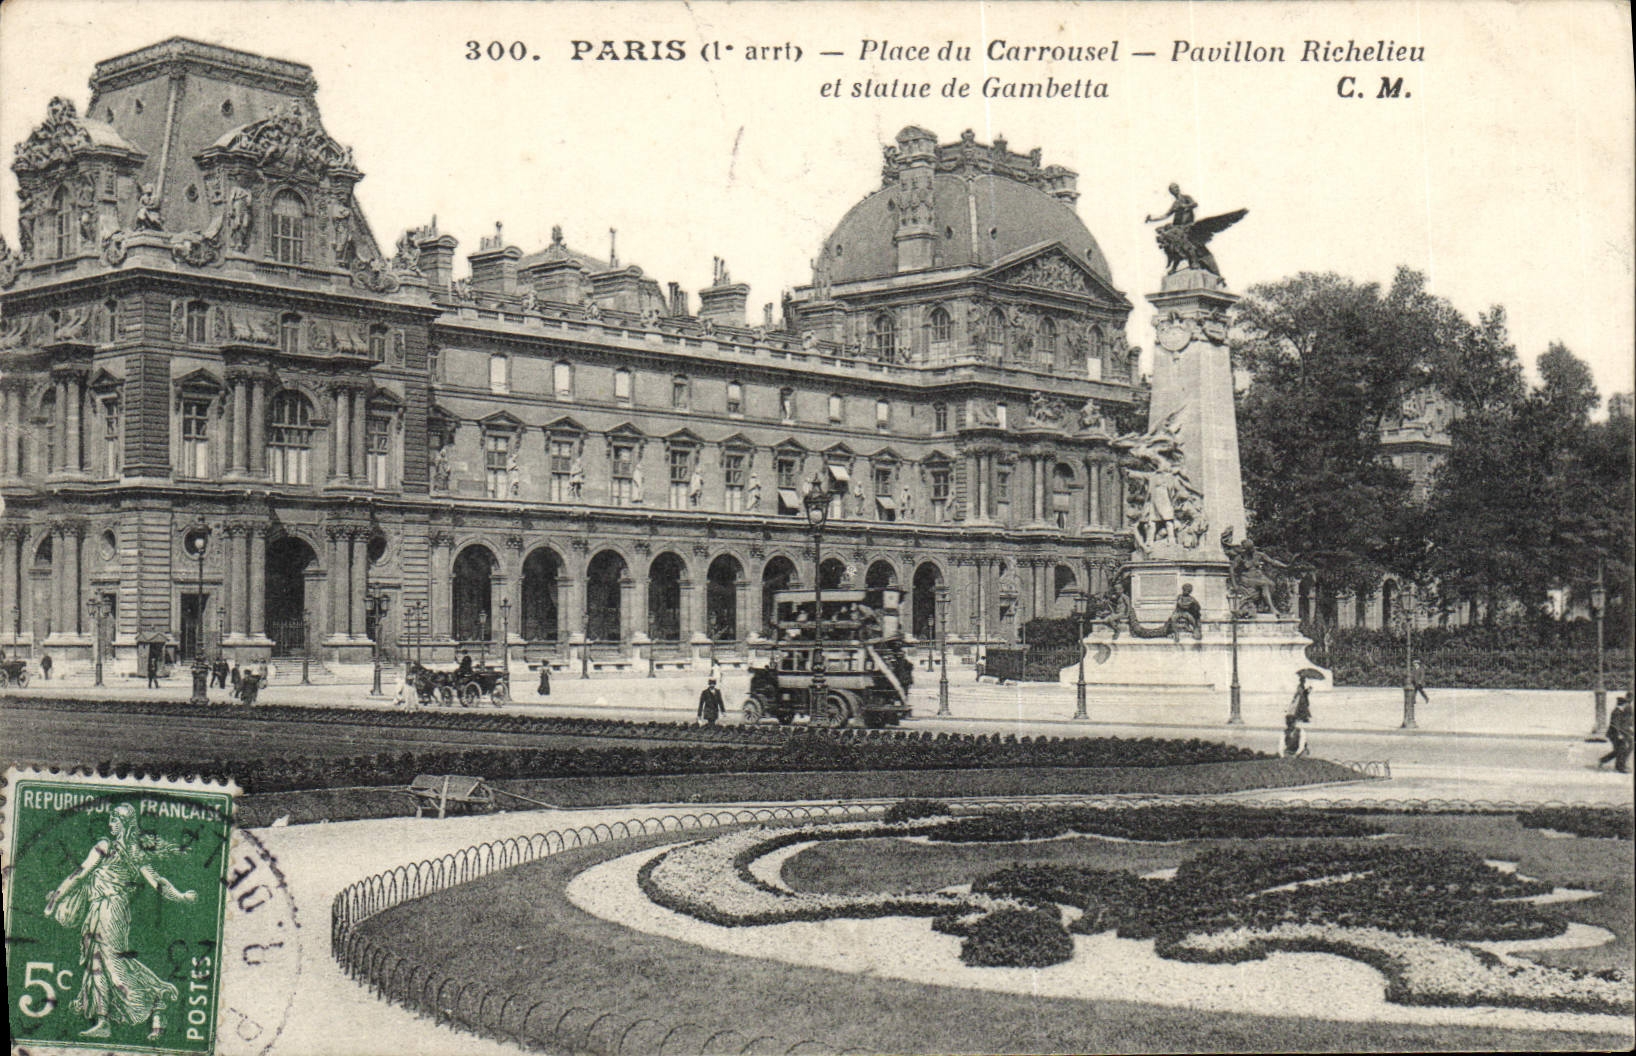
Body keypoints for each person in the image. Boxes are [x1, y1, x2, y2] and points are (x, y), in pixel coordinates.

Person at [43, 802, 196, 1040]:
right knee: (96, 964)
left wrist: (181, 896)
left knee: (114, 965)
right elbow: (80, 873)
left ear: (126, 824)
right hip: (96, 910)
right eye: (110, 820)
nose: (110, 825)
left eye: (115, 820)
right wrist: (58, 896)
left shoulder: (129, 852)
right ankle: (103, 1021)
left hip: (113, 911)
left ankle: (156, 999)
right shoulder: (108, 847)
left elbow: (157, 882)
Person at [1598, 694, 1632, 774]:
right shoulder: (1616, 712)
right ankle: (1620, 767)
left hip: (1616, 734)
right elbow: (1615, 724)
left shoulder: (1619, 711)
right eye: (1625, 704)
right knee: (1622, 749)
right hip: (1614, 734)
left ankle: (1603, 760)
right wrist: (1619, 734)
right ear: (1622, 704)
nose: (1626, 706)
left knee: (1619, 750)